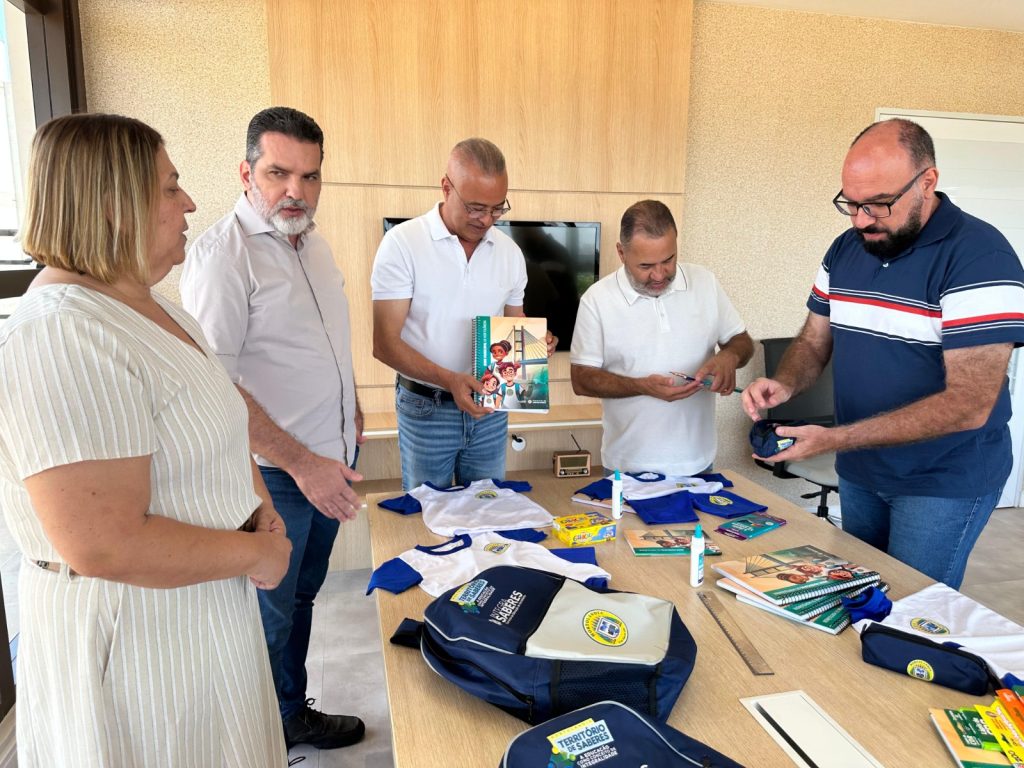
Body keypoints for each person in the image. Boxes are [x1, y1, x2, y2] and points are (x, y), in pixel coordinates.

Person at [0, 113, 290, 766]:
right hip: (137, 638)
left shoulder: (156, 310)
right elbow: (105, 542)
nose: (189, 203)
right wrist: (256, 553)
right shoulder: (63, 334)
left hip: (203, 606)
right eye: (169, 187)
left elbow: (217, 422)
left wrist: (260, 506)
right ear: (112, 203)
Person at [742, 118, 1024, 589]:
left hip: (941, 482)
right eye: (851, 204)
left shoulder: (981, 259)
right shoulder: (846, 249)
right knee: (861, 595)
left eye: (877, 204)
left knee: (910, 607)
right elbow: (813, 341)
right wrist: (785, 382)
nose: (860, 220)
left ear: (927, 182)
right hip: (861, 469)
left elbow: (969, 404)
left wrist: (834, 439)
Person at [181, 107, 365, 751]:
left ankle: (287, 715)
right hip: (278, 478)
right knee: (267, 617)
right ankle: (251, 746)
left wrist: (350, 407)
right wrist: (303, 464)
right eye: (279, 173)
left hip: (329, 463)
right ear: (246, 172)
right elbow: (216, 386)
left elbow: (324, 345)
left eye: (310, 177)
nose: (296, 191)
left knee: (303, 598)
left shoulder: (313, 243)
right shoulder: (222, 258)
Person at [371, 138, 555, 490]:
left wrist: (534, 343)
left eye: (497, 209)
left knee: (489, 508)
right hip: (426, 408)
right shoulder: (403, 244)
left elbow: (513, 325)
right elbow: (384, 344)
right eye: (475, 208)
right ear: (446, 187)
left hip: (490, 409)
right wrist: (450, 381)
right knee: (429, 512)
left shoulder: (510, 253)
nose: (486, 219)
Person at [570, 200, 754, 476]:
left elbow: (742, 341)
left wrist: (729, 357)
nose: (659, 275)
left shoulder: (705, 282)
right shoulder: (596, 300)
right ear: (621, 253)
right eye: (645, 265)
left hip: (699, 461)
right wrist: (642, 386)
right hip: (627, 465)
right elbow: (581, 379)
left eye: (668, 260)